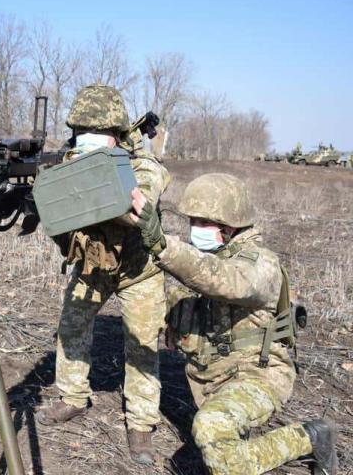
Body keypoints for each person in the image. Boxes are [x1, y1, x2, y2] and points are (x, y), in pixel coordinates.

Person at [131, 173, 338, 475]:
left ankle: (310, 437)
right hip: (212, 377)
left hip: (257, 375)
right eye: (193, 221)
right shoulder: (209, 254)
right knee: (217, 437)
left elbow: (223, 280)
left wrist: (163, 245)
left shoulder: (261, 264)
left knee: (211, 429)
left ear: (229, 227)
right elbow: (189, 287)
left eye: (204, 223)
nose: (195, 229)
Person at [36, 85, 171, 465]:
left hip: (138, 271)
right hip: (93, 267)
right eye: (82, 133)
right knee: (71, 327)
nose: (88, 140)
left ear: (118, 134)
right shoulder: (70, 162)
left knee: (142, 344)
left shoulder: (143, 166)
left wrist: (88, 181)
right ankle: (73, 397)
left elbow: (137, 208)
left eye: (97, 134)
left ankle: (141, 424)